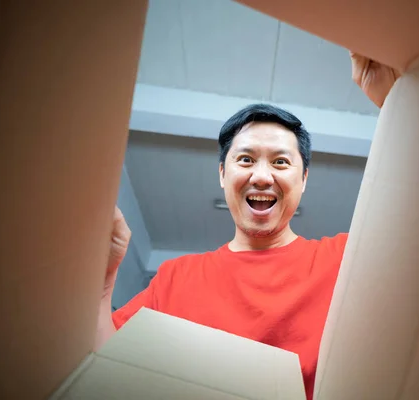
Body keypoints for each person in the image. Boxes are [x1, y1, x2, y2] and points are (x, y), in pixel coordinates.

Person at [95, 53, 396, 399]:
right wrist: (103, 285)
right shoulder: (175, 278)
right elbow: (104, 371)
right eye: (246, 160)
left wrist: (395, 103)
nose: (263, 176)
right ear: (223, 174)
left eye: (281, 162)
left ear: (304, 179)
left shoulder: (345, 260)